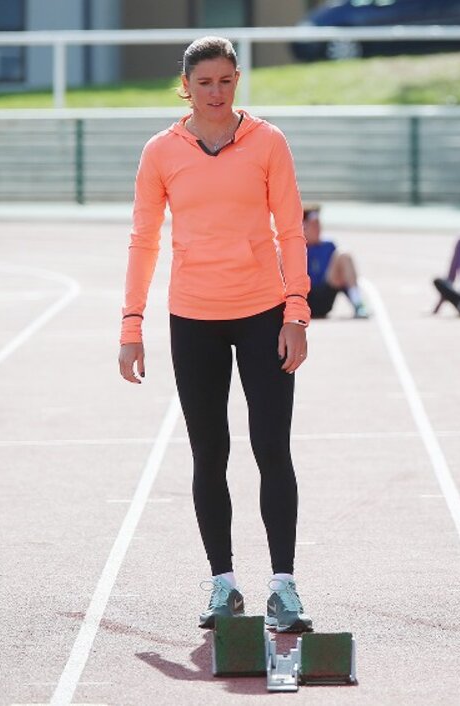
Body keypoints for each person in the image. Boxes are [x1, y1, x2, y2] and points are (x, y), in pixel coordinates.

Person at [117, 36, 314, 634]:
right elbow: (144, 240)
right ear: (186, 85)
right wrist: (132, 325)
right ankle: (222, 583)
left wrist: (296, 312)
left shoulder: (268, 141)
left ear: (237, 81)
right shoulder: (160, 152)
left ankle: (284, 586)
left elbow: (291, 230)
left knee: (271, 449)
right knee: (211, 452)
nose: (215, 92)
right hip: (193, 318)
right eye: (204, 82)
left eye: (225, 81)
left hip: (262, 313)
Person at [303, 204, 369, 319]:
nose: (318, 229)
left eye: (319, 225)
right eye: (314, 226)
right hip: (304, 299)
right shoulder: (296, 247)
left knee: (344, 255)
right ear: (304, 226)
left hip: (325, 295)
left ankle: (358, 304)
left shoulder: (328, 246)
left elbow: (339, 277)